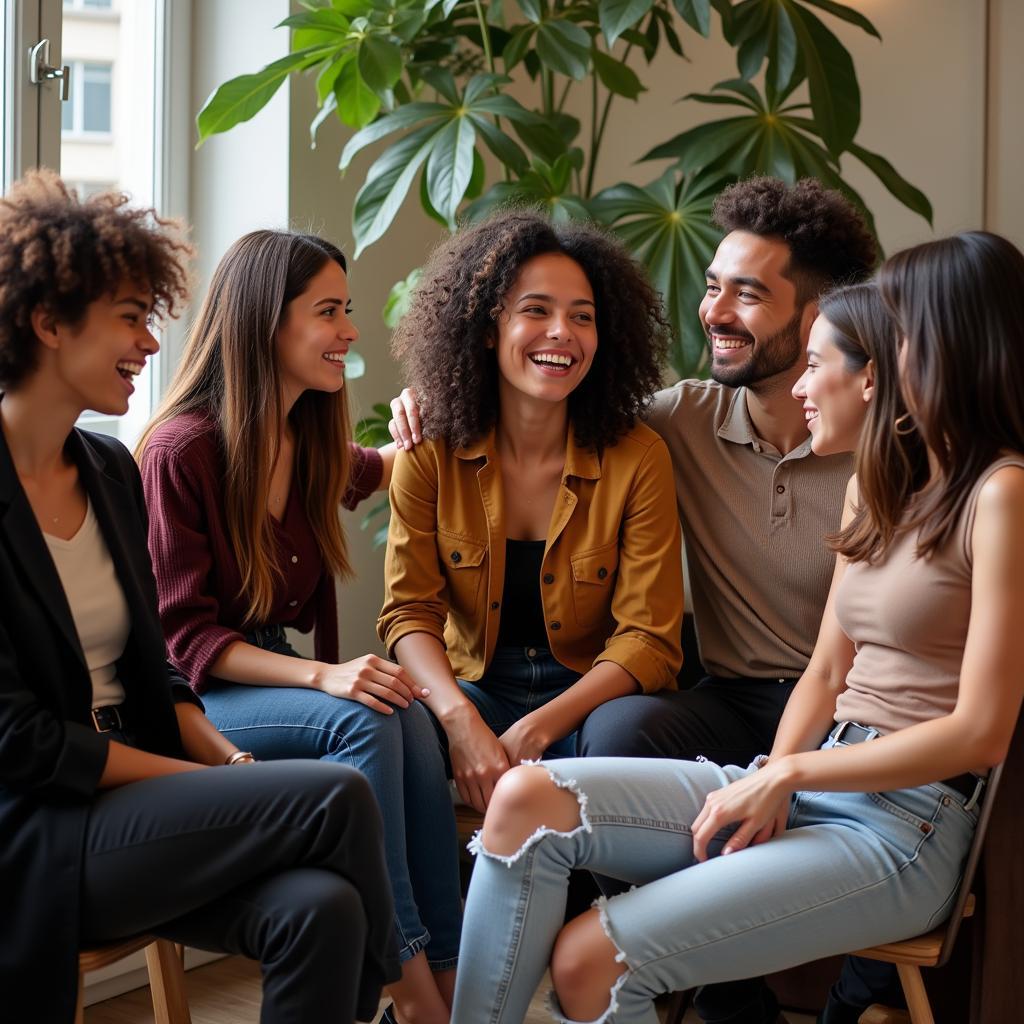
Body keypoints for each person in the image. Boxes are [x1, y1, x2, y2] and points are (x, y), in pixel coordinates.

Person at [447, 230, 1024, 1024]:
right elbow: (828, 674)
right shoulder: (881, 486)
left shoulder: (1003, 495)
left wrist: (787, 776)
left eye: (897, 330)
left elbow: (982, 734)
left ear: (945, 344)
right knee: (523, 801)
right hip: (822, 770)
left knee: (589, 963)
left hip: (906, 824)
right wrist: (773, 776)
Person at [388, 178, 888, 1023]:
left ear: (820, 316)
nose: (715, 311)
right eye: (712, 285)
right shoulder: (677, 421)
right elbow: (548, 404)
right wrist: (422, 407)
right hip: (733, 699)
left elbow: (651, 635)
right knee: (621, 732)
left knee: (608, 731)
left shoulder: (885, 444)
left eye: (749, 293)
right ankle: (440, 983)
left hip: (851, 713)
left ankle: (719, 990)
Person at [0, 171, 397, 1024]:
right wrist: (193, 779)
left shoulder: (108, 471)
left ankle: (392, 994)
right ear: (46, 322)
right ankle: (411, 996)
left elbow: (161, 673)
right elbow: (22, 745)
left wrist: (226, 765)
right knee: (337, 791)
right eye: (131, 316)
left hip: (138, 813)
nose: (151, 341)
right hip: (40, 831)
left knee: (320, 910)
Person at [136, 229, 459, 1024]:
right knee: (364, 712)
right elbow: (187, 644)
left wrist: (423, 410)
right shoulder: (180, 450)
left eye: (346, 309)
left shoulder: (308, 440)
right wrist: (324, 674)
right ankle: (409, 987)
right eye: (328, 312)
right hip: (196, 694)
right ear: (263, 324)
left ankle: (452, 976)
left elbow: (393, 462)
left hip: (270, 678)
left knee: (406, 712)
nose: (350, 331)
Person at [378, 211, 684, 814]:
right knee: (395, 727)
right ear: (490, 328)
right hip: (473, 688)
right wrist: (460, 718)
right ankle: (422, 912)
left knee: (623, 734)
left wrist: (540, 727)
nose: (561, 333)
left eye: (582, 316)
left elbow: (648, 638)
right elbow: (409, 610)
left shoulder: (639, 456)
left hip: (592, 698)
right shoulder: (430, 448)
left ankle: (600, 907)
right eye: (536, 310)